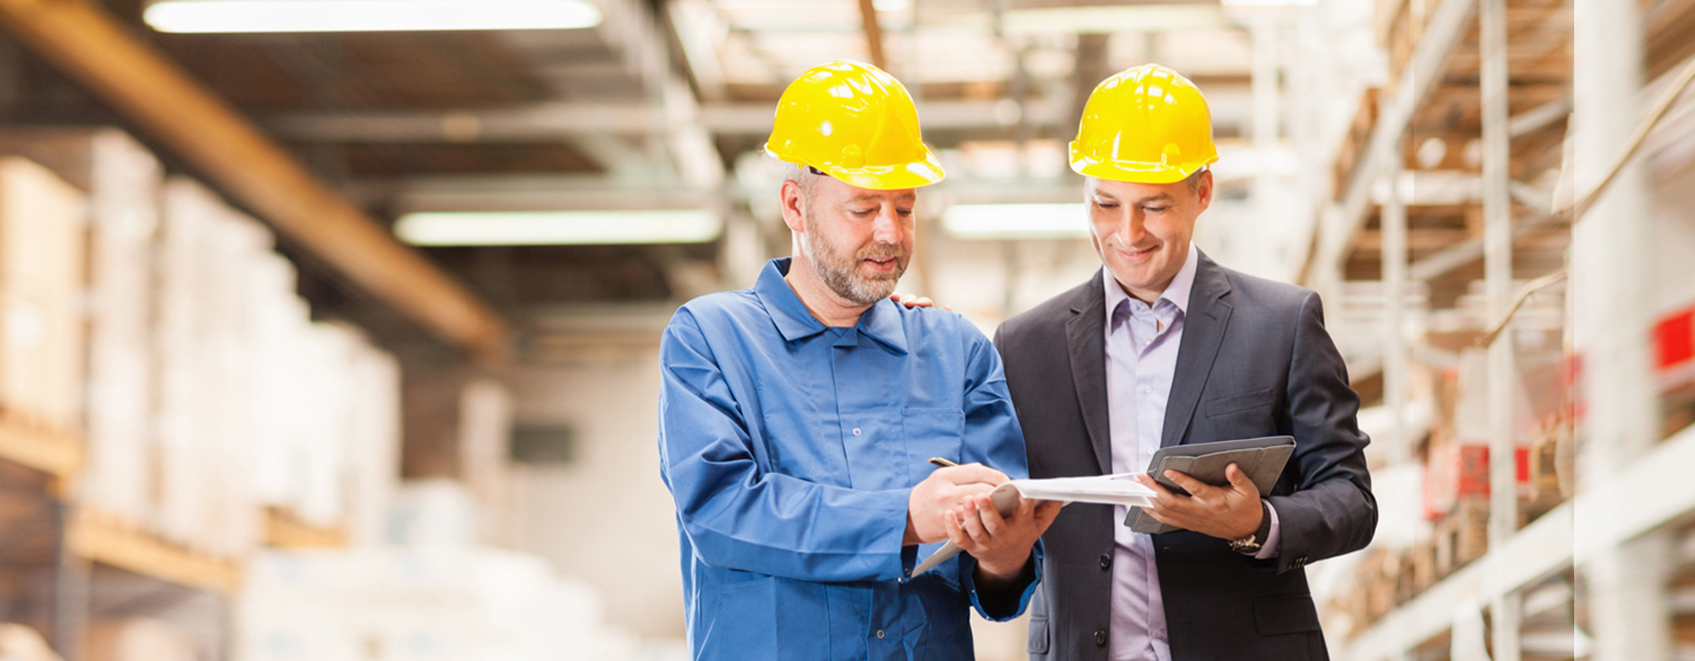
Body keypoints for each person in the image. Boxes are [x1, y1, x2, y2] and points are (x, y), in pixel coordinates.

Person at [656, 60, 1062, 661]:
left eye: (904, 207)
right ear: (795, 206)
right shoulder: (710, 339)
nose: (890, 234)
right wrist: (903, 517)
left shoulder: (958, 353)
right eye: (863, 207)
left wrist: (1004, 555)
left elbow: (997, 584)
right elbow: (722, 512)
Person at [993, 64, 1376, 660]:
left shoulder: (1282, 323)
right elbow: (1006, 551)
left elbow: (1351, 498)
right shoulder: (1025, 346)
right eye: (1105, 204)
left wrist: (1257, 524)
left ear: (1202, 191)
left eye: (1153, 206)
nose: (1127, 233)